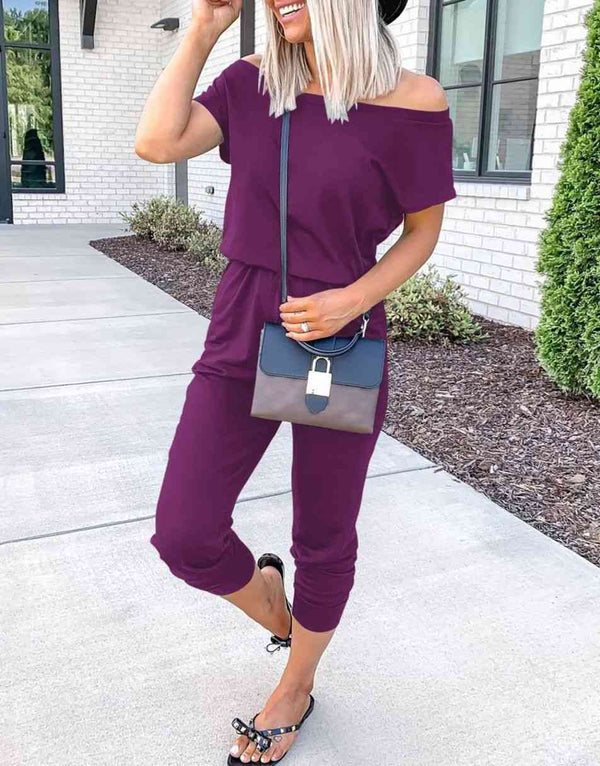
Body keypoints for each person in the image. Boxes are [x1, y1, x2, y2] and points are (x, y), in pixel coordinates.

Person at [134, 0, 456, 762]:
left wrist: (354, 298)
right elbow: (157, 142)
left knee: (324, 533)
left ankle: (296, 684)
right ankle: (280, 614)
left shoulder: (414, 100)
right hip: (242, 321)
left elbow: (424, 231)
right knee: (185, 530)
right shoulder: (255, 84)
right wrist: (202, 31)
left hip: (340, 335)